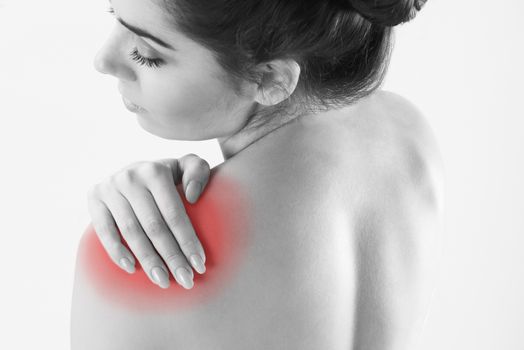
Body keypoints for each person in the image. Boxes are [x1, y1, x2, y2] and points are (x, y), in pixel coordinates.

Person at [71, 0, 445, 349]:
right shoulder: (405, 133)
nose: (103, 60)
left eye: (147, 54)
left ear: (269, 79)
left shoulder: (142, 256)